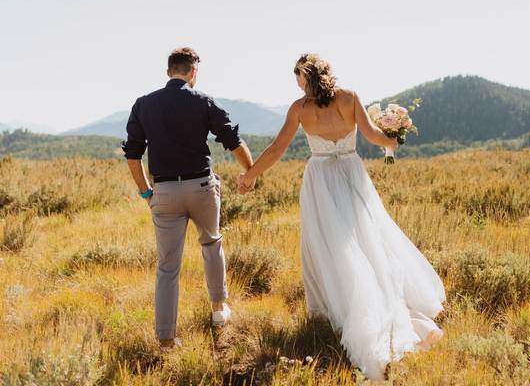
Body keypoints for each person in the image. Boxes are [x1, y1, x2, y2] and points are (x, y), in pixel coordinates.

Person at [236, 53, 445, 380]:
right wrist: (393, 141)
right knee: (367, 239)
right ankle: (378, 307)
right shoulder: (350, 98)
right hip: (352, 174)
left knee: (329, 246)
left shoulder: (299, 109)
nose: (297, 86)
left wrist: (250, 176)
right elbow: (374, 135)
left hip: (321, 180)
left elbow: (277, 149)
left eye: (297, 79)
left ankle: (337, 314)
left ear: (304, 78)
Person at [122, 47, 254, 348]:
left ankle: (166, 340)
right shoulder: (203, 101)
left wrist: (146, 192)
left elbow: (132, 155)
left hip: (165, 192)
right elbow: (233, 140)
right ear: (193, 72)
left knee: (167, 267)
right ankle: (219, 310)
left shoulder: (143, 105)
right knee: (211, 244)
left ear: (169, 71)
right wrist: (250, 173)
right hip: (202, 188)